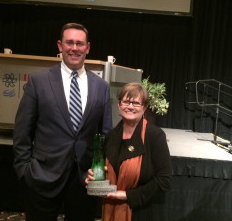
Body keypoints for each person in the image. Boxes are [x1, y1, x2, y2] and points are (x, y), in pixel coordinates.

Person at [13, 23, 112, 221]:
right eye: (69, 43)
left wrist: (100, 174)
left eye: (79, 43)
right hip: (43, 175)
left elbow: (106, 132)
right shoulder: (38, 82)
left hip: (85, 179)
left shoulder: (101, 87)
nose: (74, 48)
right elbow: (22, 130)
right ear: (60, 45)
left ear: (88, 47)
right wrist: (24, 170)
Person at [86, 82, 172, 221]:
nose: (130, 106)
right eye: (126, 101)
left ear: (144, 108)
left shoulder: (155, 136)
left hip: (143, 212)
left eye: (136, 103)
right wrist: (94, 179)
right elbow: (104, 172)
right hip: (111, 210)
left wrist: (127, 195)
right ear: (119, 105)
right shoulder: (111, 136)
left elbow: (164, 181)